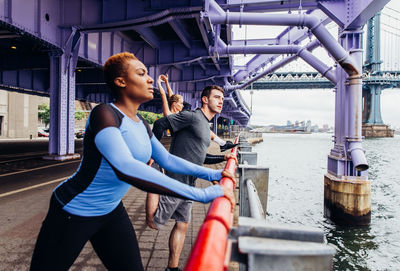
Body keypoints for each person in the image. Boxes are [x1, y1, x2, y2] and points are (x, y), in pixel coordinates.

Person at [29, 52, 235, 271]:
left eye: (147, 74)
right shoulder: (105, 114)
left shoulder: (142, 124)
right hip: (73, 210)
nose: (149, 79)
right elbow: (125, 167)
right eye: (141, 73)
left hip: (110, 210)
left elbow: (167, 159)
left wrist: (213, 175)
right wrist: (202, 195)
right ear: (121, 81)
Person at [146, 84, 234, 271]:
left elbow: (201, 158)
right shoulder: (192, 116)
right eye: (217, 97)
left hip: (189, 181)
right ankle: (152, 177)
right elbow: (161, 123)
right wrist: (152, 154)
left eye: (222, 99)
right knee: (154, 222)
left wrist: (223, 158)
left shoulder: (205, 125)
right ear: (205, 99)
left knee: (183, 224)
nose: (221, 102)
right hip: (175, 179)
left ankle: (173, 267)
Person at [156, 74, 237, 151]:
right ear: (174, 103)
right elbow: (163, 95)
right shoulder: (168, 113)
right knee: (201, 126)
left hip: (184, 132)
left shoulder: (178, 113)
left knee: (202, 127)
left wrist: (166, 82)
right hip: (181, 137)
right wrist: (159, 83)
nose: (183, 105)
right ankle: (222, 144)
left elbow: (171, 95)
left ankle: (222, 144)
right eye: (181, 103)